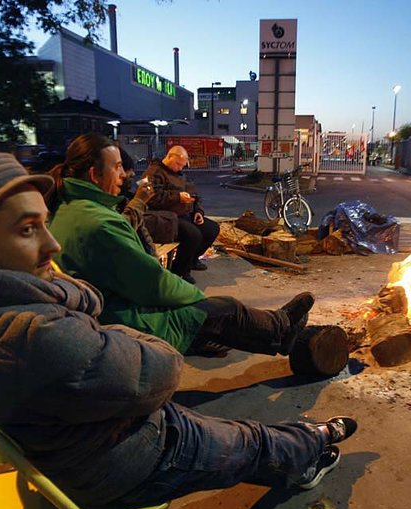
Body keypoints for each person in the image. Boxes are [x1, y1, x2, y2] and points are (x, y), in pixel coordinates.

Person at [0, 152, 357, 508]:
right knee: (246, 439)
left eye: (42, 222)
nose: (52, 244)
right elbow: (161, 369)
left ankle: (289, 372)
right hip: (118, 454)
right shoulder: (35, 335)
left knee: (228, 418)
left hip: (72, 431)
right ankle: (313, 444)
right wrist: (119, 330)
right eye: (28, 229)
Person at [48, 133, 314, 359]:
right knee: (222, 308)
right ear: (95, 174)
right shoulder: (99, 221)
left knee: (206, 232)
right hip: (121, 317)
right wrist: (197, 297)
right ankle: (280, 326)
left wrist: (195, 207)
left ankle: (279, 336)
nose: (122, 176)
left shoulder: (72, 207)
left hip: (109, 304)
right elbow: (152, 283)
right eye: (117, 167)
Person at [142, 145, 219, 283]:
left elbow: (195, 194)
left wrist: (198, 211)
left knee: (211, 229)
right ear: (170, 156)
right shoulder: (152, 173)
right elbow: (150, 198)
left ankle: (192, 260)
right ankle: (179, 271)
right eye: (178, 164)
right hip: (165, 218)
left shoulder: (179, 174)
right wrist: (177, 197)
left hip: (185, 214)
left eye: (183, 165)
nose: (180, 168)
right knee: (192, 235)